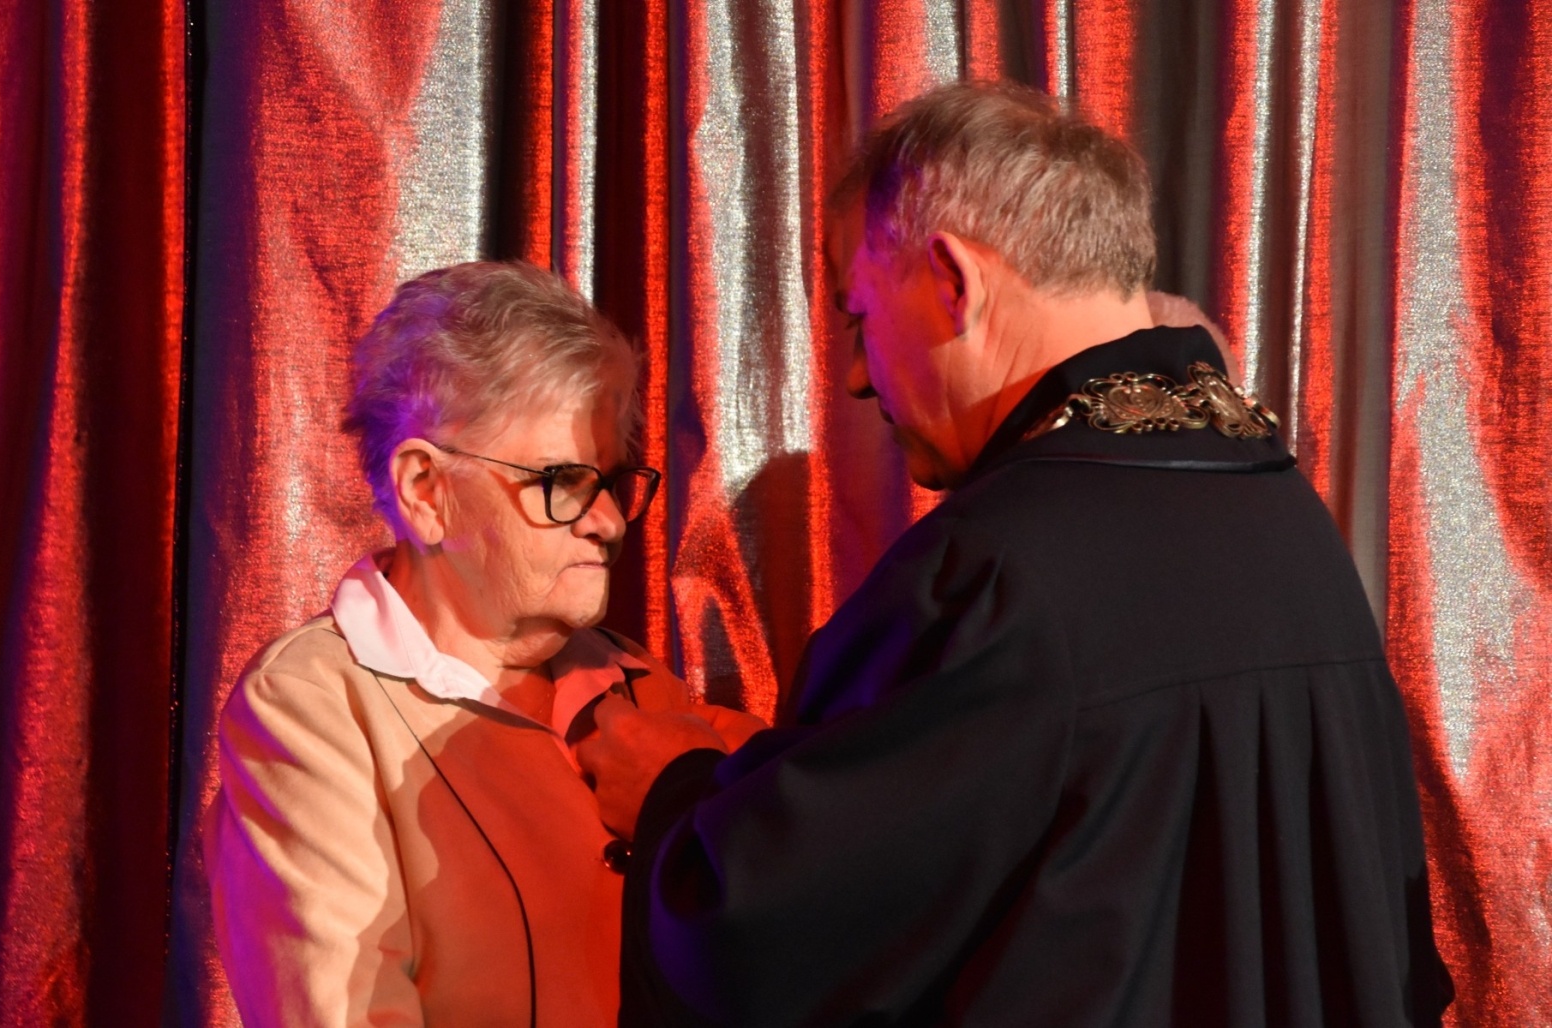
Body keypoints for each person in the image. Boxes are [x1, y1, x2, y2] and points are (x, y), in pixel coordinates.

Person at [576, 82, 1454, 1025]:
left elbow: (768, 934)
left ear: (952, 281)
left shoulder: (993, 572)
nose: (858, 376)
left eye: (859, 316)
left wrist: (673, 799)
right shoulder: (1288, 517)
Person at [204, 262, 757, 1027]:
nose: (608, 522)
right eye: (563, 482)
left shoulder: (637, 680)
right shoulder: (310, 706)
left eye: (610, 481)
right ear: (425, 490)